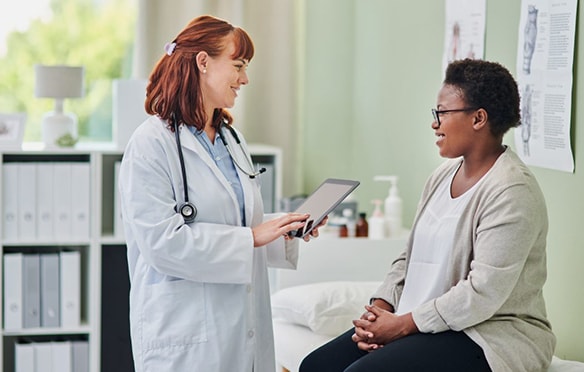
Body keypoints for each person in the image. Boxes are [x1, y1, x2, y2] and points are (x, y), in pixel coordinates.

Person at [300, 59, 556, 372]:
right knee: (315, 366)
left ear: (479, 118)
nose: (434, 124)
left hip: (487, 335)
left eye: (441, 113)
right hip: (424, 323)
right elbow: (408, 258)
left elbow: (482, 293)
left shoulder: (512, 190)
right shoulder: (441, 176)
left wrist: (402, 325)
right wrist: (379, 311)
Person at [118, 15, 321, 372]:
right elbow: (162, 244)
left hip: (242, 326)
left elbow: (242, 225)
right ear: (203, 62)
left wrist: (284, 228)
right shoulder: (151, 144)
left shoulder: (231, 139)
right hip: (185, 336)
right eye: (238, 65)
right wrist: (251, 238)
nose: (245, 78)